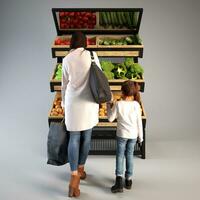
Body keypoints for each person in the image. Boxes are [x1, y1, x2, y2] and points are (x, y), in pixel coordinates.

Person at [61, 31, 101, 197]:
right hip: (89, 103)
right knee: (87, 137)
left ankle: (74, 176)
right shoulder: (92, 55)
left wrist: (64, 103)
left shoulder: (66, 59)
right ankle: (81, 170)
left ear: (71, 42)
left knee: (74, 138)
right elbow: (100, 76)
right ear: (85, 42)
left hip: (72, 103)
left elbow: (64, 84)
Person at [107, 80, 143, 193]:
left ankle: (118, 181)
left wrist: (108, 105)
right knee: (130, 156)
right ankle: (128, 180)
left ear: (122, 91)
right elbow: (139, 123)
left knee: (120, 156)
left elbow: (110, 119)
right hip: (133, 135)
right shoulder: (136, 105)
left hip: (121, 135)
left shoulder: (118, 104)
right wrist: (140, 138)